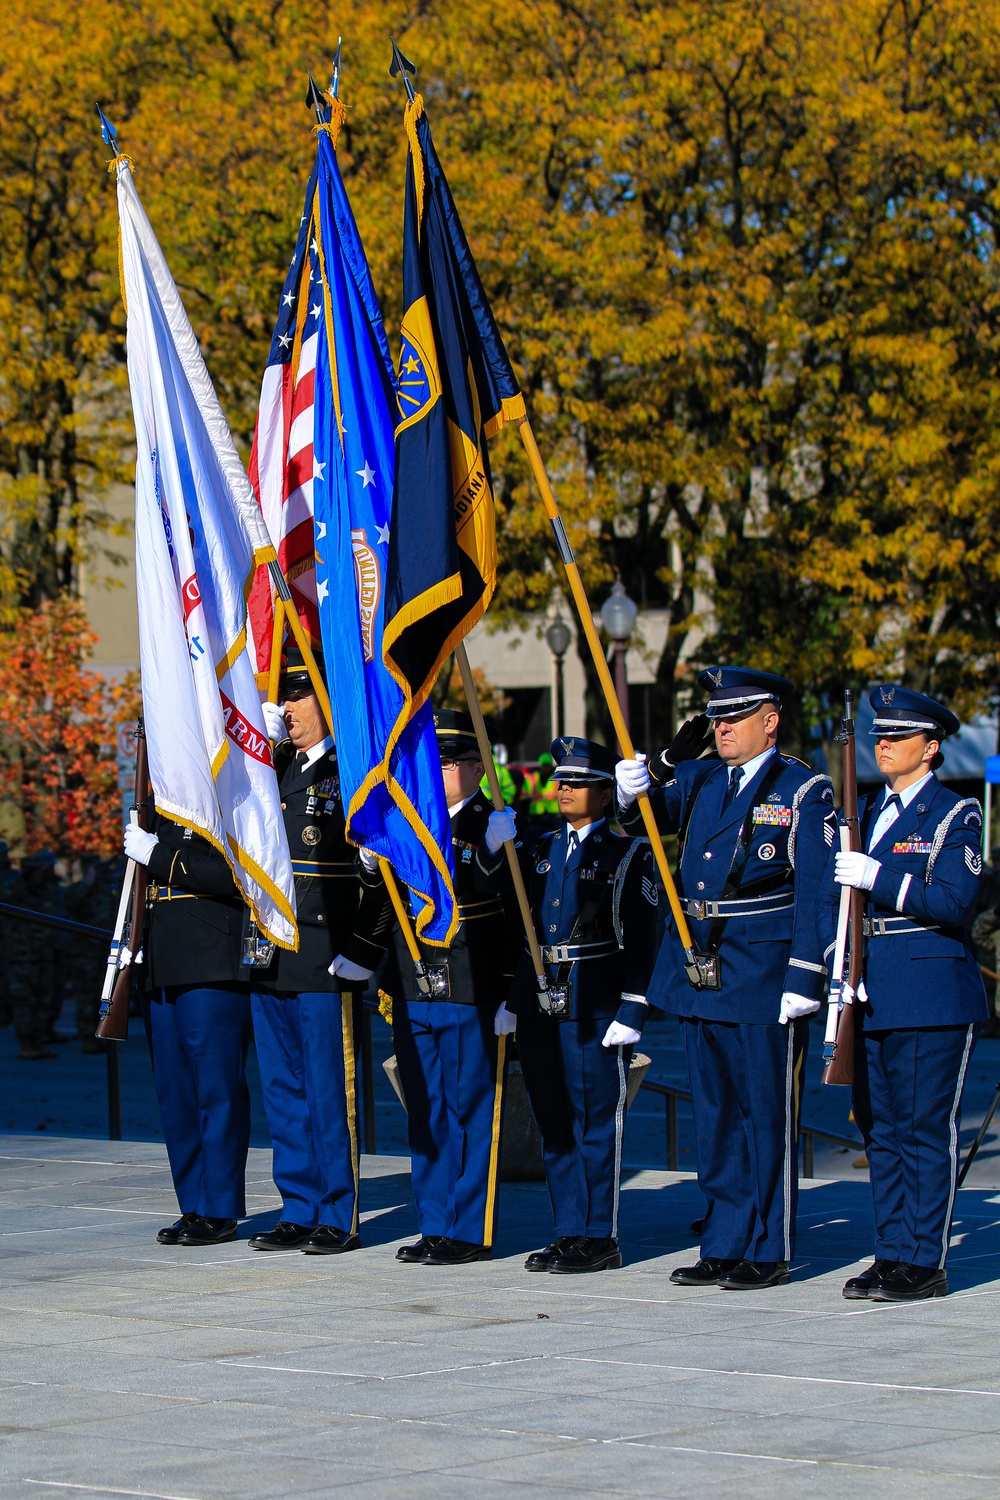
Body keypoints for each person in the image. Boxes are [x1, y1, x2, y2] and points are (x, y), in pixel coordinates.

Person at [616, 668, 835, 1290]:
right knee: (713, 1114)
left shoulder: (802, 789)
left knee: (764, 1112)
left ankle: (768, 1246)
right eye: (716, 717)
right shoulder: (703, 778)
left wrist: (805, 970)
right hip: (701, 963)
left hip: (763, 967)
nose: (722, 727)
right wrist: (634, 792)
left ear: (770, 720)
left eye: (735, 717)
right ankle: (724, 1239)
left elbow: (815, 887)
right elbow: (642, 828)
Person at [824, 686, 989, 1302]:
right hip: (870, 988)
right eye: (879, 735)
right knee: (881, 1131)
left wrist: (878, 876)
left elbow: (953, 901)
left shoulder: (956, 813)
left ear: (932, 747)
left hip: (929, 989)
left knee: (923, 1128)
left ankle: (925, 1259)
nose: (883, 743)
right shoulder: (863, 811)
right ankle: (891, 1251)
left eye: (898, 736)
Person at [482, 736, 659, 1274]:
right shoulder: (535, 848)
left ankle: (598, 1234)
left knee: (594, 1121)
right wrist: (494, 853)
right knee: (553, 1120)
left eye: (578, 783)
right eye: (561, 781)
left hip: (594, 998)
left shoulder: (627, 852)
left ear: (606, 795)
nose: (564, 789)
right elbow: (514, 923)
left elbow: (645, 936)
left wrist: (633, 1006)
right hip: (540, 999)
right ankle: (567, 1229)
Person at [248, 650, 391, 1255]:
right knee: (283, 1088)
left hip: (324, 953)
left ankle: (337, 1209)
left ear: (328, 702)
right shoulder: (269, 768)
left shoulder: (351, 770)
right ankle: (297, 1204)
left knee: (332, 1089)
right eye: (284, 699)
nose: (288, 709)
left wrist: (363, 947)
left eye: (299, 697)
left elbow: (380, 869)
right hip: (271, 949)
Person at [383, 709, 518, 1266]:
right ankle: (434, 1221)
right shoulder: (409, 822)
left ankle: (468, 1229)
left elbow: (516, 915)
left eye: (447, 760)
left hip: (469, 982)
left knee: (469, 1109)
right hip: (415, 980)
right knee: (427, 1109)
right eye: (430, 760)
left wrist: (510, 992)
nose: (435, 771)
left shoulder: (495, 824)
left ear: (475, 766)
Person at [126, 808, 252, 1247]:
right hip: (158, 956)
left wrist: (155, 855)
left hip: (209, 953)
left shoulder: (223, 787)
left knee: (215, 1089)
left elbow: (236, 872)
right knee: (175, 1091)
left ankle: (219, 1209)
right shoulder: (152, 800)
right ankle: (193, 1204)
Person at [6, 850, 63, 1060]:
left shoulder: (48, 889)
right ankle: (26, 1042)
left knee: (43, 998)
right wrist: (30, 878)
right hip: (23, 956)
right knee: (24, 1001)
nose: (49, 872)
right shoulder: (17, 889)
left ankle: (37, 1040)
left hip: (45, 953)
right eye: (44, 869)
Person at [65, 853, 116, 1054]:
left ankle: (99, 1033)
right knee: (85, 995)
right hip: (84, 952)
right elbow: (71, 904)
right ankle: (87, 1036)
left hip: (103, 951)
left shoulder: (104, 890)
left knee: (101, 994)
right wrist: (87, 881)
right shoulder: (78, 889)